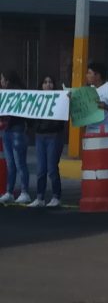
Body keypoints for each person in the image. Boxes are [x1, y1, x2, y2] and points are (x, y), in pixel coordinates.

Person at [29, 75, 63, 208]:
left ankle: (56, 197)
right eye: (45, 82)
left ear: (54, 85)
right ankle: (40, 197)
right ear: (41, 85)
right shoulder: (36, 100)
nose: (48, 85)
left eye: (50, 82)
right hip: (40, 136)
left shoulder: (60, 99)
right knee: (41, 169)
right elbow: (31, 119)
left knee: (52, 168)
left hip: (54, 135)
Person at [0, 70, 32, 204]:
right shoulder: (5, 94)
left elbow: (21, 114)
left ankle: (24, 192)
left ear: (8, 80)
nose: (1, 82)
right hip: (8, 130)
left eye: (2, 79)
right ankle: (9, 192)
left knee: (19, 163)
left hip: (17, 129)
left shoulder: (18, 93)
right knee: (10, 163)